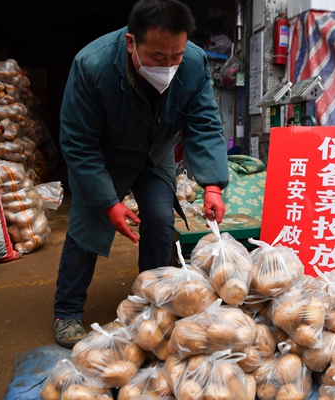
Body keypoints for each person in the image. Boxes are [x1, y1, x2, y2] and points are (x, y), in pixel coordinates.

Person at [54, 0, 229, 348]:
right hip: (106, 157)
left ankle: (153, 303)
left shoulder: (193, 63)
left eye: (175, 57)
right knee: (87, 228)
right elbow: (78, 143)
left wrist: (212, 184)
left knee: (161, 221)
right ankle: (67, 312)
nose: (167, 66)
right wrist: (108, 202)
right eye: (158, 57)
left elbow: (205, 124)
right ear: (132, 42)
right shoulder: (93, 65)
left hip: (155, 153)